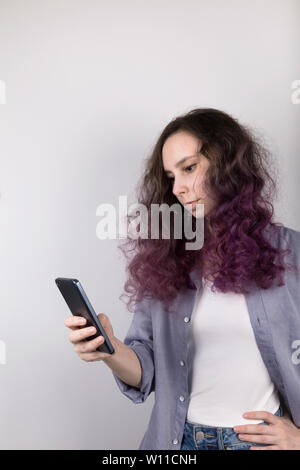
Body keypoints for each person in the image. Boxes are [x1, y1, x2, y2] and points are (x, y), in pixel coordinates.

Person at [64, 108, 300, 450]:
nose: (179, 188)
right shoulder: (168, 259)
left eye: (189, 168)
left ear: (228, 161)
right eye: (171, 176)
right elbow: (146, 368)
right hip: (179, 442)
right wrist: (110, 350)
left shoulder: (290, 251)